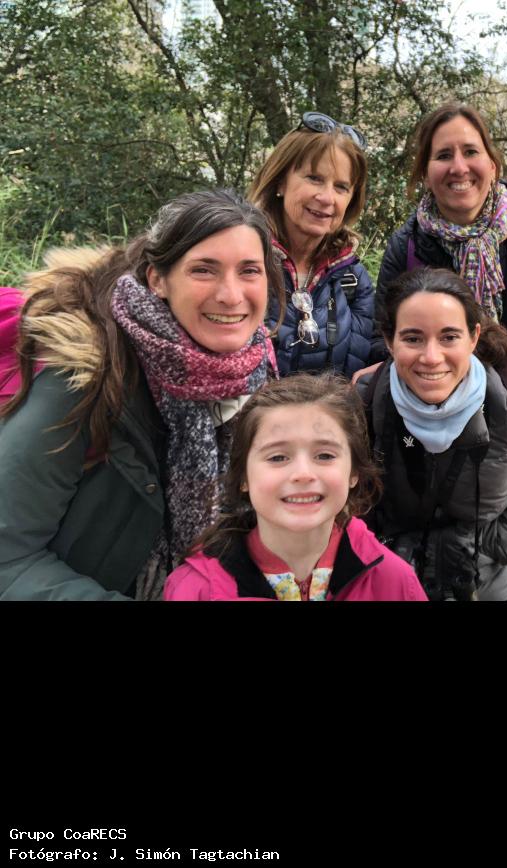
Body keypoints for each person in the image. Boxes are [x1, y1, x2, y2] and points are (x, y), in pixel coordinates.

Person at [358, 101, 507, 600]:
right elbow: (382, 334)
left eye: (470, 151)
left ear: (493, 161)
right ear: (424, 170)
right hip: (429, 434)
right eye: (442, 155)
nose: (458, 167)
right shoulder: (408, 245)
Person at [0, 189, 284, 601]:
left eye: (249, 271)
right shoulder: (84, 377)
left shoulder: (260, 376)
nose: (231, 295)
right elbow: (9, 557)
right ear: (157, 279)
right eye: (204, 270)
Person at [357, 268, 507, 601]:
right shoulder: (366, 402)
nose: (431, 357)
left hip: (489, 583)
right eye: (412, 338)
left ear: (474, 337)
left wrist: (503, 540)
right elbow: (350, 487)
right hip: (393, 581)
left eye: (449, 337)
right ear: (389, 340)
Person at [164, 373, 427, 601]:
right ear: (243, 476)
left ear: (354, 472)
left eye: (324, 455)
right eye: (278, 457)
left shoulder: (394, 582)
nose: (303, 474)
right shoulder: (195, 589)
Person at [248, 111, 374, 378]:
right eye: (314, 178)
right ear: (280, 181)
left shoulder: (352, 278)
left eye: (341, 187)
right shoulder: (243, 260)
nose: (327, 197)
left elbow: (371, 354)